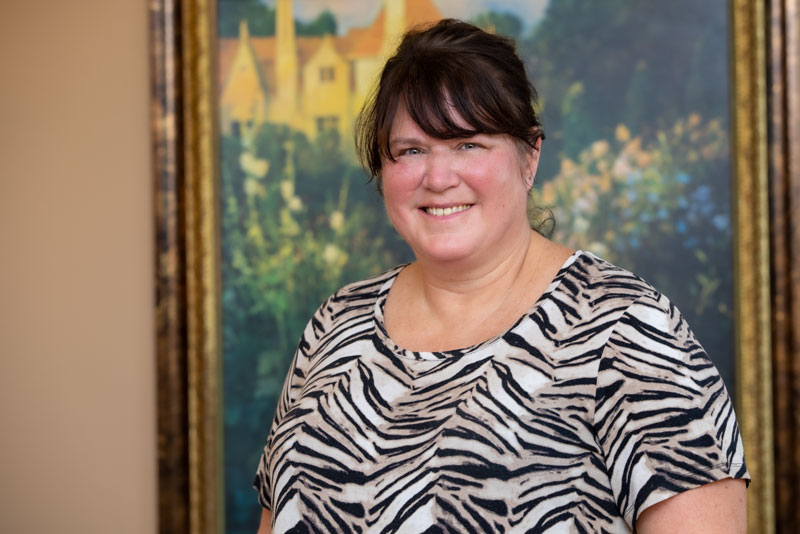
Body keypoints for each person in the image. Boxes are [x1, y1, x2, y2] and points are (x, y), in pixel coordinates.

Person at [254, 19, 748, 533]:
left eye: (468, 144)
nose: (438, 178)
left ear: (529, 155)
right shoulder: (335, 325)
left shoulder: (629, 330)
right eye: (411, 150)